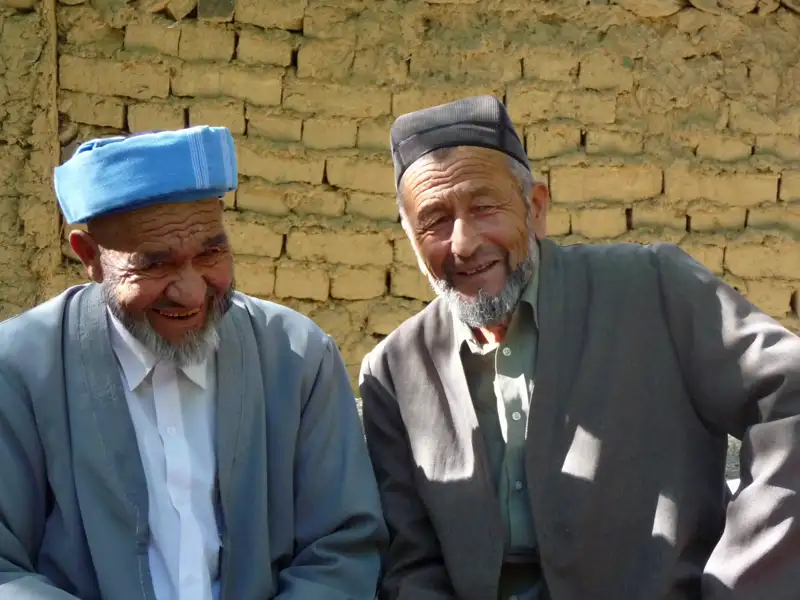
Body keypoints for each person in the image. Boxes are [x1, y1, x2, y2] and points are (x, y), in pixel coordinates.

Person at [359, 95, 800, 600]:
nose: (461, 243)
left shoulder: (653, 289)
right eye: (434, 220)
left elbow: (790, 398)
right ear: (410, 238)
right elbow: (412, 560)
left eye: (485, 207)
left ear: (537, 208)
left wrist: (744, 580)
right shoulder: (394, 371)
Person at [0, 126, 388, 600]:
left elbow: (342, 547)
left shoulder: (299, 359)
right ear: (91, 256)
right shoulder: (18, 371)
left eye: (211, 253)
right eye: (155, 264)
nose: (191, 292)